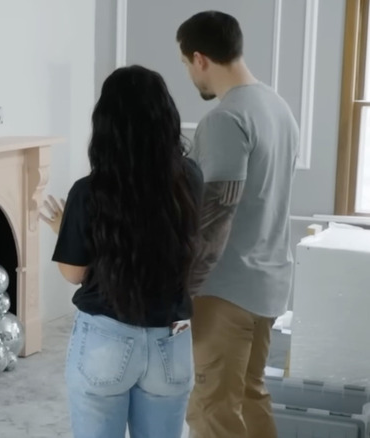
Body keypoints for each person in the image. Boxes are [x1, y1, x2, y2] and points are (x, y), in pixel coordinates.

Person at [40, 65, 204, 438]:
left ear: (106, 125)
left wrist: (63, 228)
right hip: (171, 341)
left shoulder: (89, 192)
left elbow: (74, 273)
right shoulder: (190, 179)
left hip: (105, 340)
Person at [176, 11, 299, 438]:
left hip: (225, 291)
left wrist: (182, 289)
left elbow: (216, 216)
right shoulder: (278, 107)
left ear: (200, 58)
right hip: (268, 285)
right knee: (250, 395)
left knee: (212, 411)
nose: (192, 76)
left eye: (188, 66)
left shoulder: (225, 119)